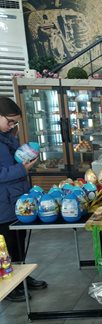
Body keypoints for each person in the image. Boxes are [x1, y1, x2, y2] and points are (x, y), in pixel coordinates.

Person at [0, 97, 47, 302]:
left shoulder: (8, 137)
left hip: (18, 198)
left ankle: (22, 277)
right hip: (3, 202)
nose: (12, 126)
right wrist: (22, 168)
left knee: (20, 242)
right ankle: (9, 285)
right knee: (7, 246)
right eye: (9, 121)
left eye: (15, 122)